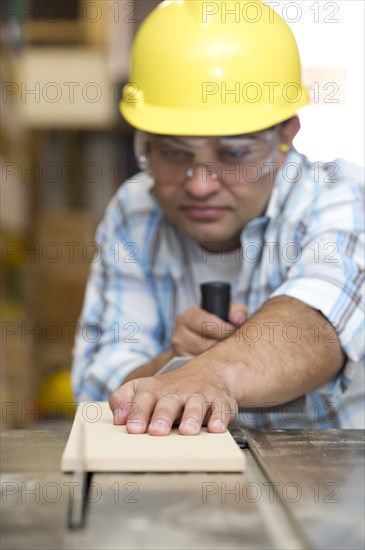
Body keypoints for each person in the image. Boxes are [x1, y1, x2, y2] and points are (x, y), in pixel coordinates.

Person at [72, 0, 364, 433]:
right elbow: (98, 391)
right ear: (145, 144)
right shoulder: (134, 213)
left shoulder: (342, 196)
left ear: (285, 138)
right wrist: (173, 367)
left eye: (233, 153)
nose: (201, 184)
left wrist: (212, 372)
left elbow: (318, 322)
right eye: (174, 153)